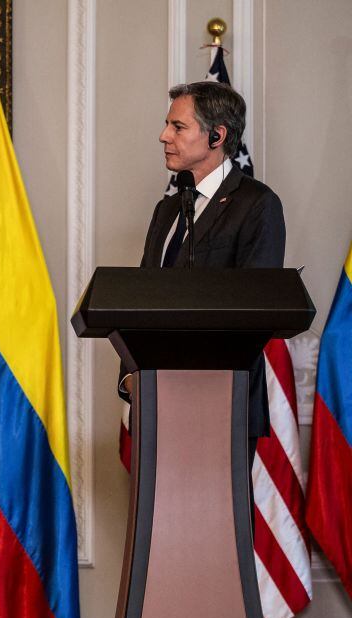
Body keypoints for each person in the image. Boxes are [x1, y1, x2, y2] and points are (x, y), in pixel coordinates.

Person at [121, 80, 284, 439]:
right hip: (155, 402)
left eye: (178, 127)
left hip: (221, 405)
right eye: (168, 125)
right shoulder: (167, 209)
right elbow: (139, 301)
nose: (164, 136)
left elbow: (255, 310)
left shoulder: (256, 204)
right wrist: (131, 379)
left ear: (217, 136)